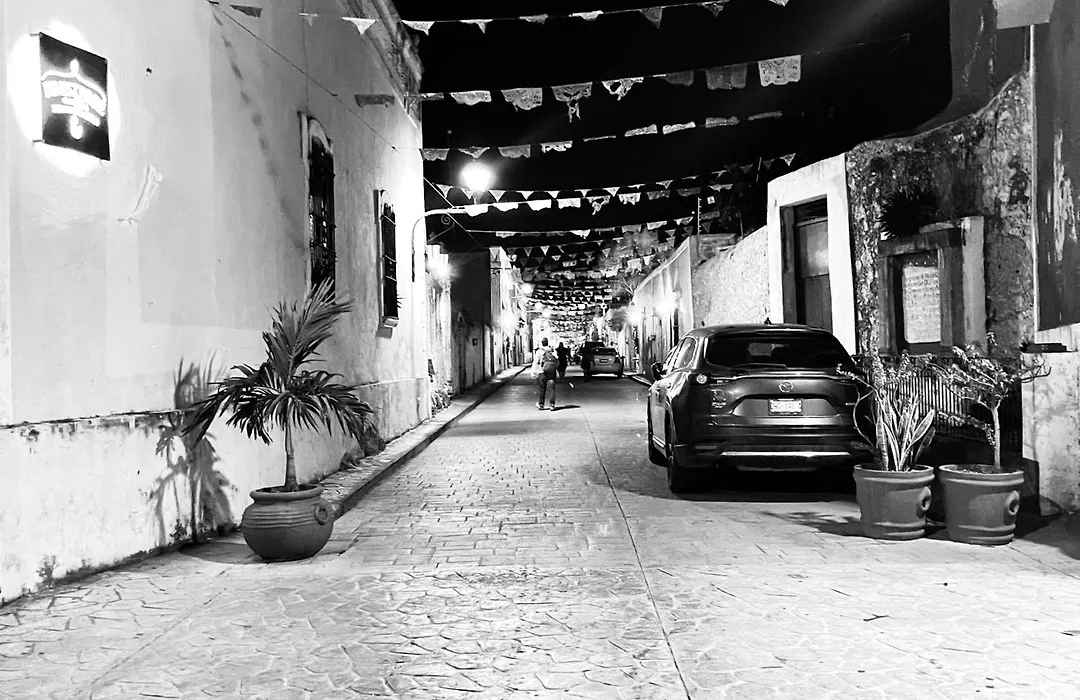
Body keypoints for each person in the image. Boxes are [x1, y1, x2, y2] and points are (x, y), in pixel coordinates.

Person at [530, 338, 559, 410]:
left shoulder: (539, 351)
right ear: (547, 343)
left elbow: (535, 362)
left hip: (542, 371)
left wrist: (533, 371)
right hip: (552, 372)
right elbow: (557, 359)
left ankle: (541, 404)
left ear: (542, 343)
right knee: (552, 388)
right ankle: (552, 405)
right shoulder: (552, 350)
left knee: (542, 388)